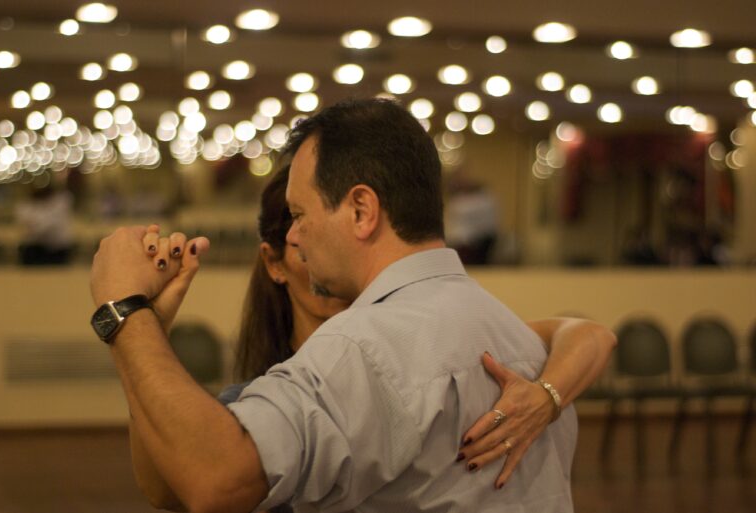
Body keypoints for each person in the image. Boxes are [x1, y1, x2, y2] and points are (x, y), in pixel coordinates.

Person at [90, 99, 614, 513]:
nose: (296, 232)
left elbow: (216, 481)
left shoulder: (361, 347)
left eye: (301, 212)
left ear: (362, 209)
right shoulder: (513, 338)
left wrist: (124, 311)